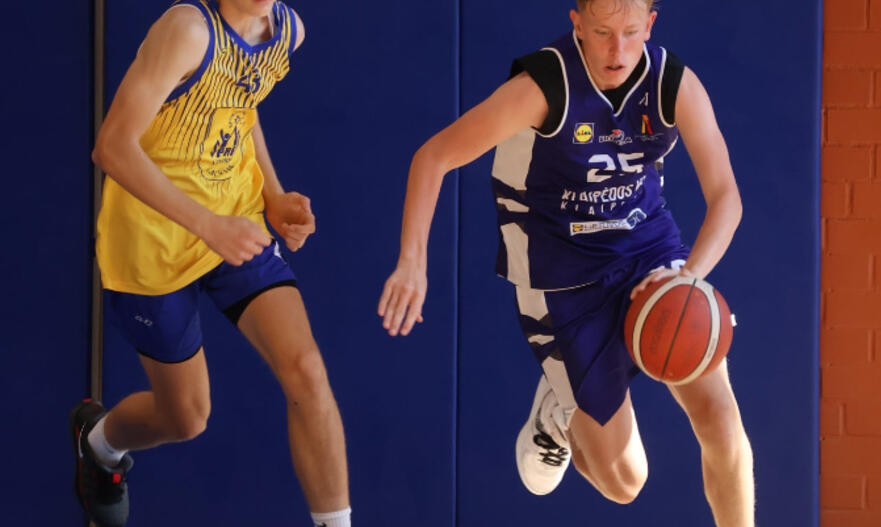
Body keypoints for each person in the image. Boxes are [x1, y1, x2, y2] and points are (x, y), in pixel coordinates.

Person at [378, 0, 753, 524]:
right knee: (625, 483)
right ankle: (557, 414)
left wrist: (688, 279)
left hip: (649, 251)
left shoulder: (673, 84)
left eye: (630, 32)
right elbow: (433, 156)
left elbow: (727, 197)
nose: (617, 50)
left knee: (721, 417)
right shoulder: (543, 87)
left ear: (650, 24)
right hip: (562, 274)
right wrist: (412, 261)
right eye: (602, 32)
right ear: (577, 24)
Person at [70, 1, 351, 526]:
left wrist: (272, 194)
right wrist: (208, 225)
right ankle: (99, 444)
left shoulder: (287, 31)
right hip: (153, 242)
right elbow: (111, 147)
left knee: (307, 371)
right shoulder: (188, 31)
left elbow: (241, 105)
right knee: (186, 417)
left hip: (234, 220)